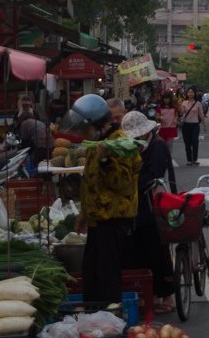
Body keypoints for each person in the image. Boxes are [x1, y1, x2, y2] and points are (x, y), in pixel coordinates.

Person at [66, 94, 141, 305]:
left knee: (107, 276)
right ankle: (93, 316)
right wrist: (84, 212)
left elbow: (123, 182)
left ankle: (110, 319)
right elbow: (90, 181)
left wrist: (107, 159)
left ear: (98, 123)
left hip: (114, 219)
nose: (82, 132)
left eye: (85, 128)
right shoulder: (98, 142)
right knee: (91, 274)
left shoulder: (122, 144)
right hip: (97, 219)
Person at [121, 111, 177, 315]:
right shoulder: (134, 147)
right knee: (139, 252)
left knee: (158, 252)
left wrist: (129, 184)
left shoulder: (158, 146)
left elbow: (153, 175)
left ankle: (168, 295)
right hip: (136, 208)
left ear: (146, 133)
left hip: (153, 206)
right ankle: (150, 294)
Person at [179, 86, 206, 166]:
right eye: (189, 92)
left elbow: (201, 114)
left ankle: (195, 159)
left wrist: (204, 124)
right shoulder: (184, 102)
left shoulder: (198, 103)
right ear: (187, 93)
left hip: (195, 125)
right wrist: (180, 105)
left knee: (195, 142)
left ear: (194, 93)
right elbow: (181, 113)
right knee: (187, 143)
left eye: (192, 92)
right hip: (186, 125)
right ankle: (189, 160)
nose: (190, 94)